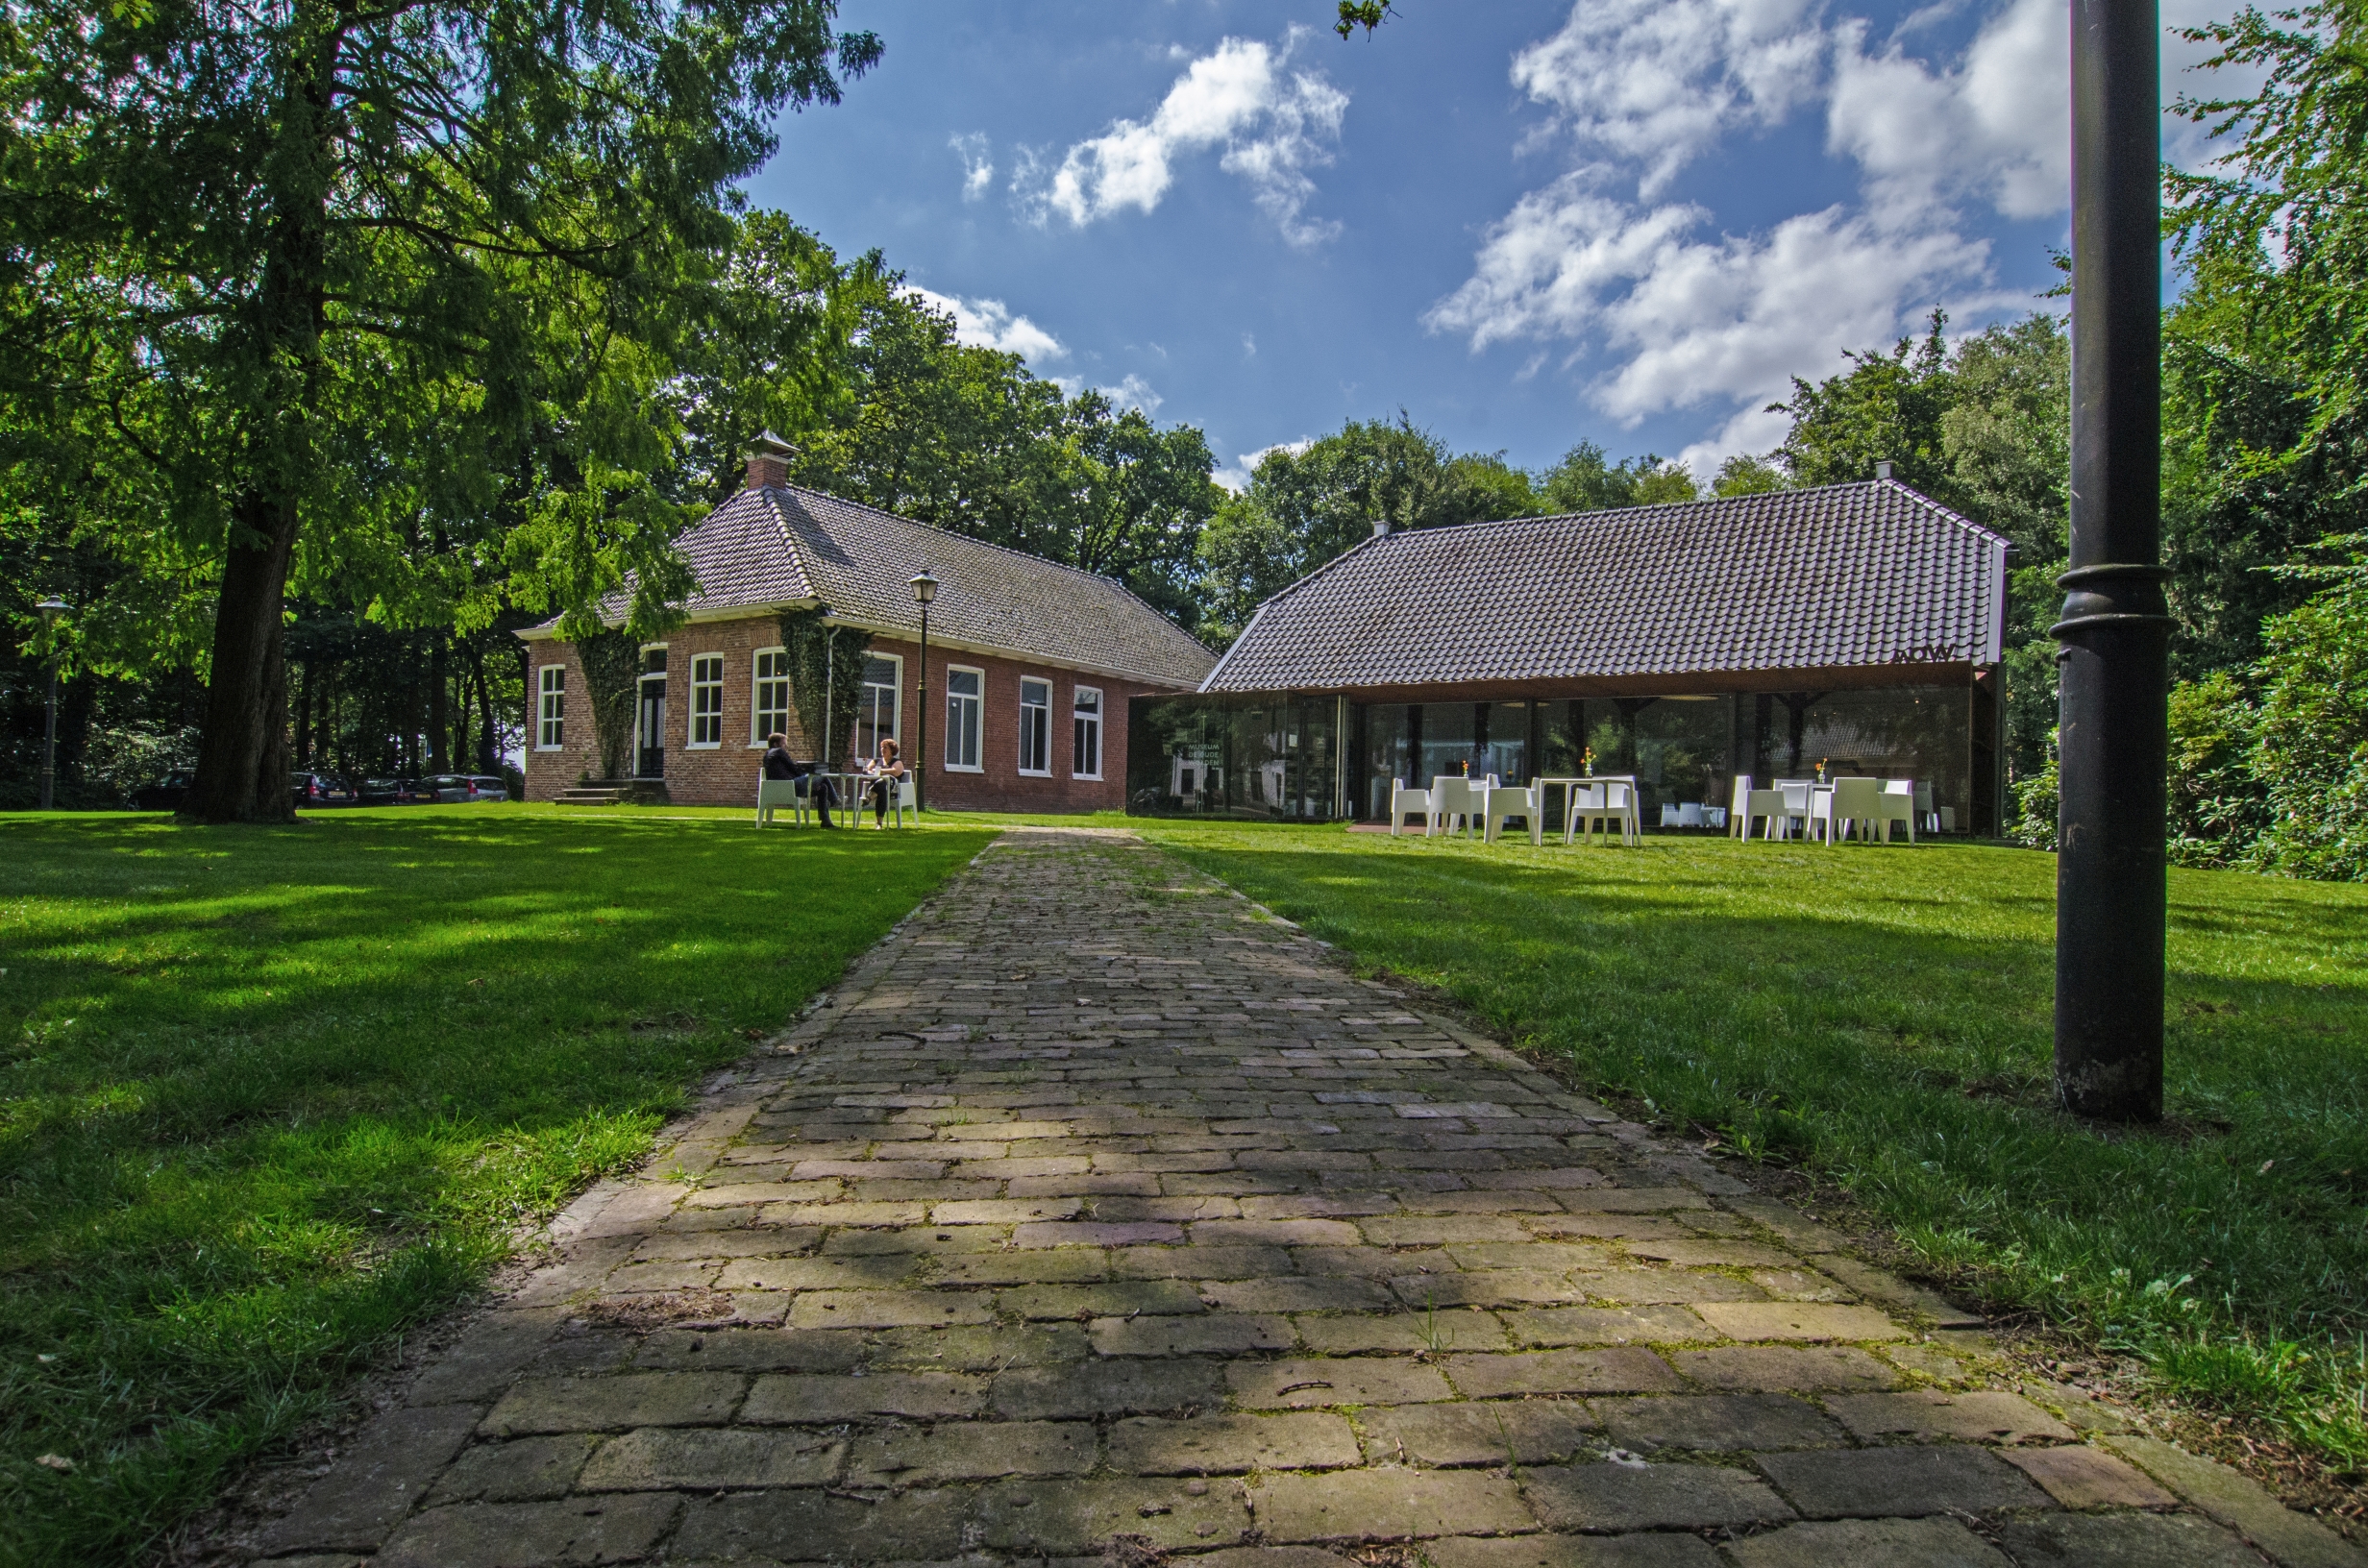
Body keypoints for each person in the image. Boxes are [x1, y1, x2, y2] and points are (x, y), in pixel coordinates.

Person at [763, 731, 836, 827]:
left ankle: (825, 821)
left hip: (779, 789)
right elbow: (794, 769)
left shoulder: (767, 755)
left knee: (823, 787)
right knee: (821, 775)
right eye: (784, 744)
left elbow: (788, 770)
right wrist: (806, 775)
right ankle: (834, 799)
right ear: (776, 744)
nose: (786, 747)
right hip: (791, 787)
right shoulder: (779, 751)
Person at [859, 737, 908, 825]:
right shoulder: (876, 761)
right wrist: (873, 771)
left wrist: (879, 771)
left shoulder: (897, 762)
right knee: (882, 790)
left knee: (883, 782)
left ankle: (869, 797)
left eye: (885, 747)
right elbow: (868, 770)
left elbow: (895, 771)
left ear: (892, 750)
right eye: (882, 747)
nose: (882, 749)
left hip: (892, 789)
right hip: (881, 789)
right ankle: (879, 824)